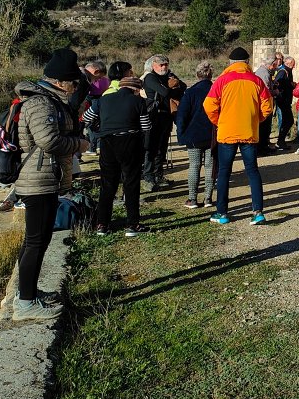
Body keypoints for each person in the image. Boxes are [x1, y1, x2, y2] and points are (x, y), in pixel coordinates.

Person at [13, 48, 89, 320]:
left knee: (37, 239)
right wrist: (79, 144)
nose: (75, 87)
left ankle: (27, 292)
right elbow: (48, 141)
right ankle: (25, 304)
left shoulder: (48, 100)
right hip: (38, 180)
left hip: (43, 177)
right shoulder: (41, 103)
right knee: (36, 241)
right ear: (59, 81)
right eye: (73, 82)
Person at [203, 47, 273, 226]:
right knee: (253, 171)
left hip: (227, 133)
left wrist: (219, 121)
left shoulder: (222, 80)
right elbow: (267, 107)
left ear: (230, 63)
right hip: (249, 132)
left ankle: (222, 212)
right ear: (247, 62)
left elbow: (209, 105)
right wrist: (256, 120)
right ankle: (258, 212)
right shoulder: (257, 80)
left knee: (224, 172)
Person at [83, 75, 151, 236]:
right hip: (130, 142)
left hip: (107, 142)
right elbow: (146, 126)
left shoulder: (103, 100)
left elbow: (86, 118)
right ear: (135, 89)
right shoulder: (138, 101)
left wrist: (99, 126)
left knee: (107, 184)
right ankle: (132, 224)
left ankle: (102, 224)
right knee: (131, 183)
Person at [142, 54, 185, 190]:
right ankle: (148, 177)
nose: (164, 67)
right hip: (153, 116)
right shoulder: (150, 77)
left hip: (166, 116)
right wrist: (173, 88)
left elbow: (183, 86)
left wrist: (172, 88)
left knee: (162, 147)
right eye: (161, 65)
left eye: (166, 64)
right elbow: (164, 92)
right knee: (151, 147)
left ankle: (158, 175)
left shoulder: (169, 75)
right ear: (153, 65)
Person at [176, 61, 216, 208]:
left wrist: (181, 134)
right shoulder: (216, 90)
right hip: (212, 134)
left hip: (193, 135)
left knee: (194, 165)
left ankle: (192, 198)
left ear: (197, 74)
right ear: (211, 75)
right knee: (210, 166)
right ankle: (208, 198)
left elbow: (182, 115)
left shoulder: (191, 92)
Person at [254, 59, 277, 155]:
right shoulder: (264, 73)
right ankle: (261, 148)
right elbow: (265, 91)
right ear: (270, 65)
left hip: (264, 104)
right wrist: (275, 92)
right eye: (274, 65)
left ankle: (263, 146)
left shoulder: (264, 72)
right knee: (264, 127)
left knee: (265, 127)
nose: (275, 68)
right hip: (264, 105)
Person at [273, 56, 295, 149]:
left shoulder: (287, 71)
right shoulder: (283, 72)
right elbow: (276, 83)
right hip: (283, 100)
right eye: (293, 64)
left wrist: (290, 85)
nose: (294, 67)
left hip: (285, 100)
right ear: (288, 63)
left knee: (287, 121)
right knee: (289, 120)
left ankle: (281, 141)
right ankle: (280, 141)